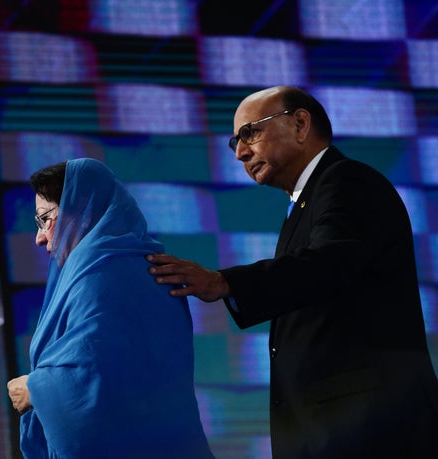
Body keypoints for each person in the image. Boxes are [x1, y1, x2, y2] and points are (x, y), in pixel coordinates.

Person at [147, 85, 438, 458]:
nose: (240, 152)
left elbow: (328, 264)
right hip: (329, 428)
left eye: (249, 133)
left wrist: (223, 281)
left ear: (300, 124)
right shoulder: (306, 201)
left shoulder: (346, 181)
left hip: (370, 428)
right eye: (234, 142)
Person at [7, 158, 215, 459]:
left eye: (44, 219)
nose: (39, 238)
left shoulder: (98, 276)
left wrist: (35, 389)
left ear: (79, 211)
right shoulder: (143, 264)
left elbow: (97, 374)